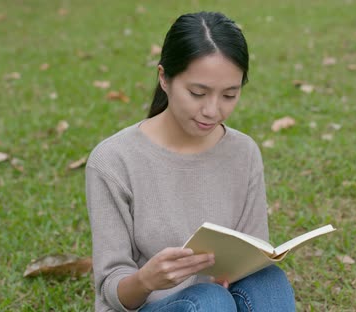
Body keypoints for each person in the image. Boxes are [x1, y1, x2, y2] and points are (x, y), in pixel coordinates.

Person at [85, 11, 296, 311]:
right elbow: (112, 291)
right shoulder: (113, 160)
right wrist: (147, 280)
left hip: (219, 301)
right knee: (210, 301)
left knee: (268, 279)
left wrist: (234, 273)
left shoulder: (243, 152)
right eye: (198, 93)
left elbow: (253, 256)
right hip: (151, 305)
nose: (212, 110)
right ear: (164, 79)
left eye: (229, 95)